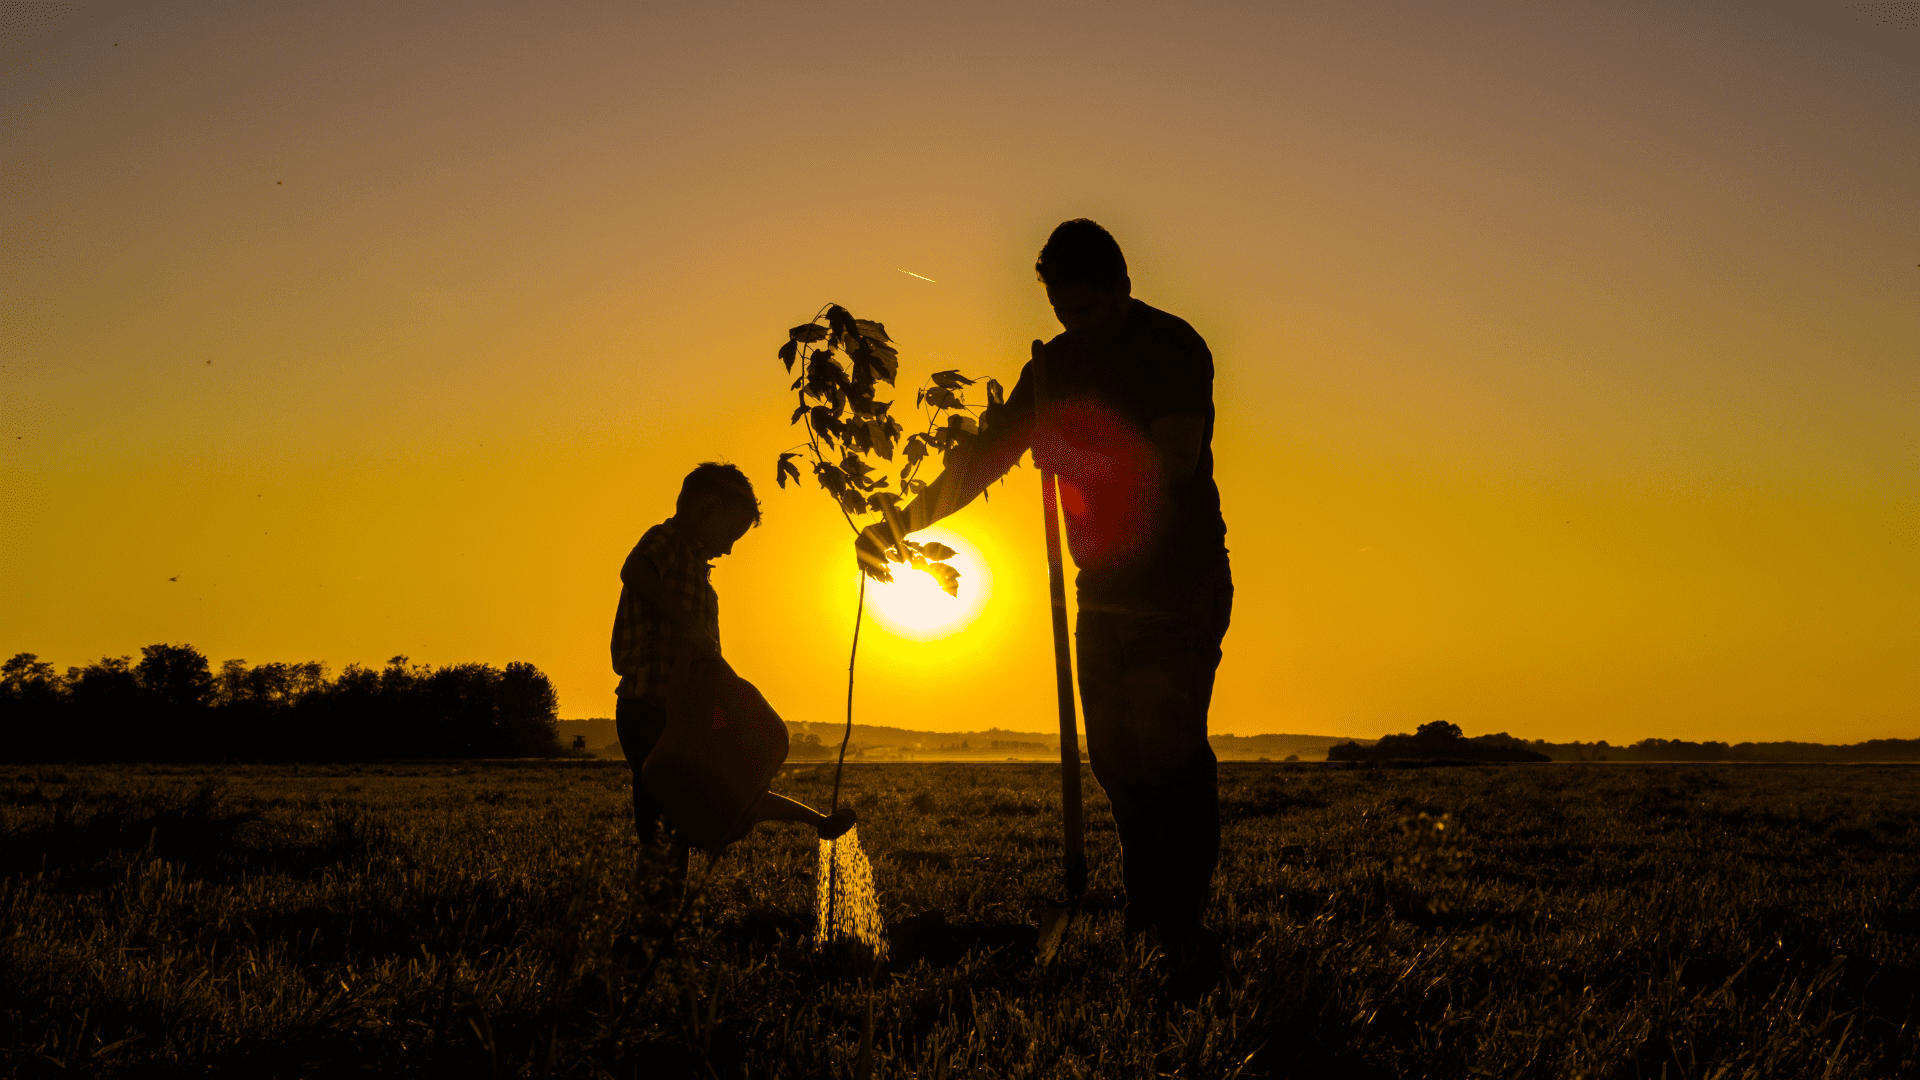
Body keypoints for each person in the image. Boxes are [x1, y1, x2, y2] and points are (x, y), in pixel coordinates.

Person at [857, 220, 1231, 990]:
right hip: (1104, 591)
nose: (1075, 324)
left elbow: (1178, 461)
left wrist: (1080, 459)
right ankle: (1148, 912)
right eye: (1063, 310)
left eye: (1089, 309)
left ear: (1123, 286)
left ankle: (1178, 925)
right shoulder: (1051, 369)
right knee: (1119, 762)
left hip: (1179, 584)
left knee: (1169, 754)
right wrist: (898, 523)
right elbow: (985, 457)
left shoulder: (1171, 346)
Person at [613, 462, 855, 885]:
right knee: (667, 827)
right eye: (730, 536)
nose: (727, 550)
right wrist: (688, 625)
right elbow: (634, 572)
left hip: (687, 713)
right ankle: (647, 931)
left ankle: (816, 821)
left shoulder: (698, 575)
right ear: (706, 509)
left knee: (722, 792)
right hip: (650, 708)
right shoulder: (665, 541)